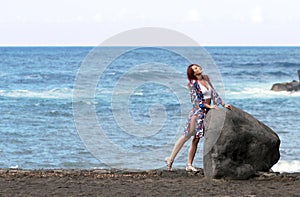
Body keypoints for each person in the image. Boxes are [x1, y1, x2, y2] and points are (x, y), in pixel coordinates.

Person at [165, 63, 232, 172]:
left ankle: (189, 164)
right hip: (197, 113)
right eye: (195, 68)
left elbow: (214, 93)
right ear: (193, 73)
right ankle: (170, 159)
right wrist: (208, 106)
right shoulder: (193, 84)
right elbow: (196, 101)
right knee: (186, 136)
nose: (198, 68)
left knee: (196, 139)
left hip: (207, 112)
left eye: (197, 66)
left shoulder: (206, 79)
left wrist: (223, 104)